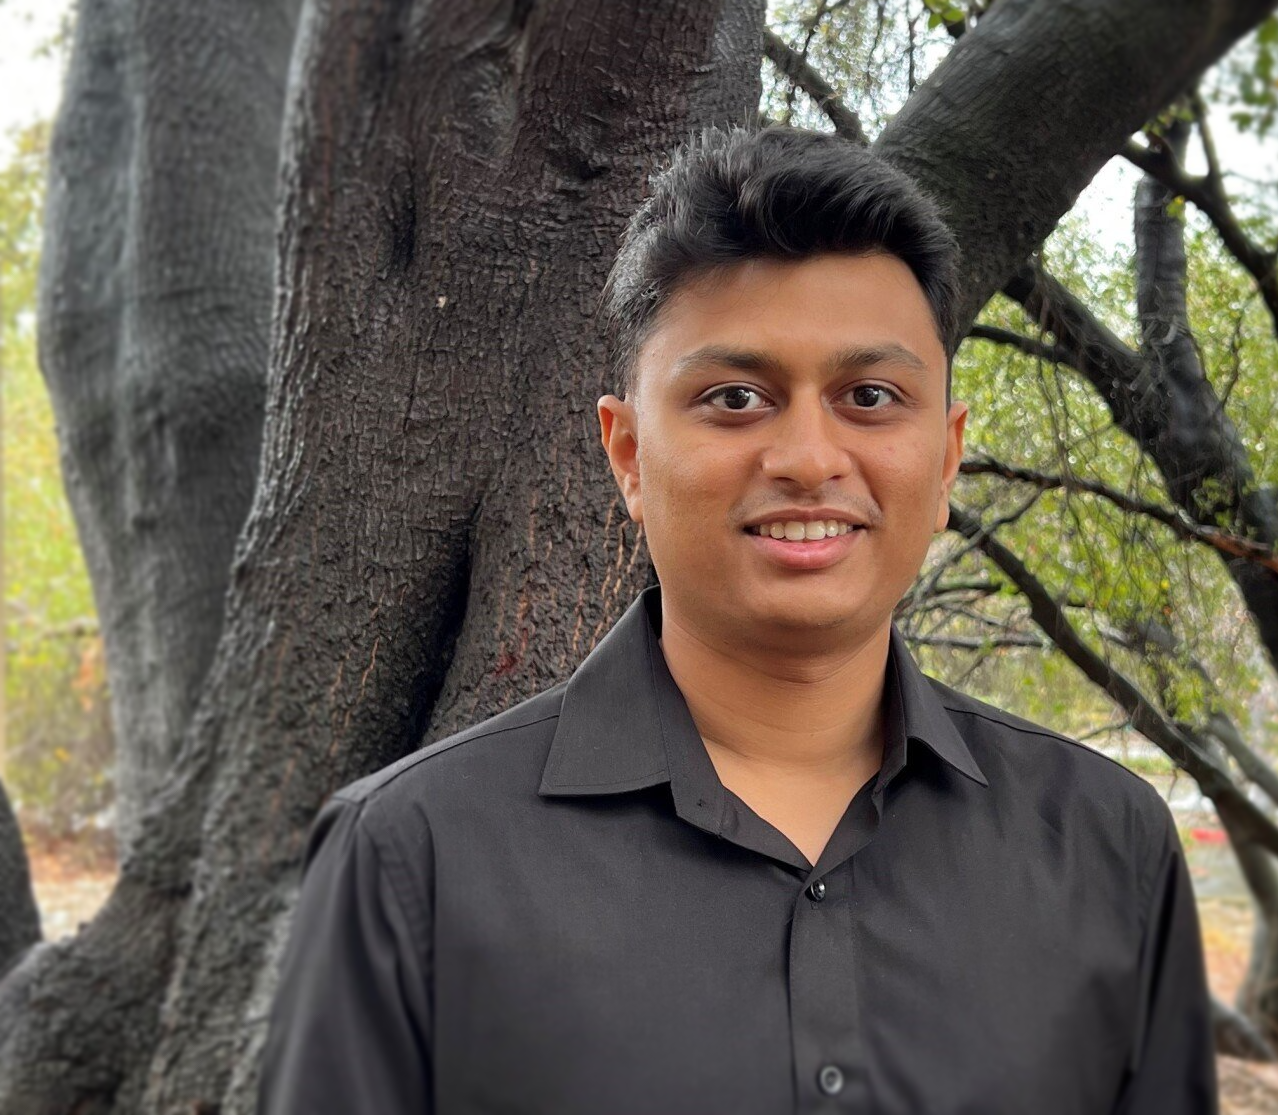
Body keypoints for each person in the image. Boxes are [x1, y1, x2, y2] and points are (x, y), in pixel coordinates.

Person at [257, 123, 1218, 1114]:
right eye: (734, 395)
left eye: (870, 395)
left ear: (943, 457)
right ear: (627, 453)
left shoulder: (1110, 848)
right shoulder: (410, 856)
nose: (807, 454)